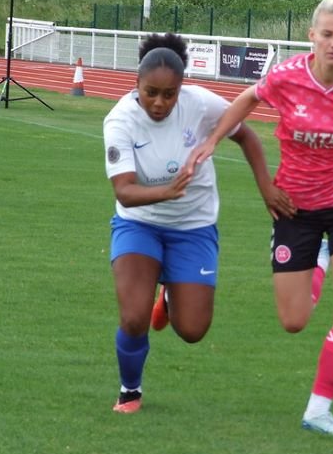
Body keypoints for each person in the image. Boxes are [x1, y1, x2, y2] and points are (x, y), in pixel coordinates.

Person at [190, 0, 333, 438]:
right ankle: (319, 261)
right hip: (295, 209)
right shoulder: (287, 76)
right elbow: (247, 99)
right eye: (327, 34)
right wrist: (213, 140)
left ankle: (319, 410)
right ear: (312, 36)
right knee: (294, 321)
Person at [103, 32, 284, 414]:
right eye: (151, 92)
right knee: (134, 317)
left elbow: (247, 136)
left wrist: (266, 187)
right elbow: (124, 192)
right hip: (140, 223)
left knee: (193, 330)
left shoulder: (200, 104)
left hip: (194, 227)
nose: (159, 102)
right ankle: (130, 391)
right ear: (137, 84)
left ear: (182, 89)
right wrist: (166, 193)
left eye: (169, 94)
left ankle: (169, 294)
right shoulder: (120, 119)